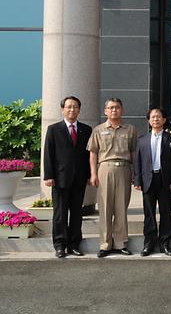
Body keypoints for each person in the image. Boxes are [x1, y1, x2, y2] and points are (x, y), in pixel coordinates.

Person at [88, 98, 138, 258]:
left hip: (124, 168)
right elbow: (93, 153)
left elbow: (134, 153)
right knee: (105, 208)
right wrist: (93, 173)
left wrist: (135, 173)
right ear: (105, 111)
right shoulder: (98, 130)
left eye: (117, 107)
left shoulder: (130, 129)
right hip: (105, 169)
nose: (114, 110)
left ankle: (120, 243)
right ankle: (105, 244)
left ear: (122, 110)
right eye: (110, 108)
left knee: (121, 208)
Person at [43, 96, 92, 258]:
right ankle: (60, 245)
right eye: (69, 107)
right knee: (60, 214)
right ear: (62, 109)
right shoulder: (53, 129)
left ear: (79, 109)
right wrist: (48, 176)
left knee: (77, 213)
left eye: (75, 107)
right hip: (59, 178)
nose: (72, 110)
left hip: (79, 178)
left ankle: (74, 244)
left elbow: (88, 155)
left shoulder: (86, 129)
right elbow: (48, 154)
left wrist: (90, 175)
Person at [133, 107, 171, 257]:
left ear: (164, 120)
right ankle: (149, 243)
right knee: (149, 213)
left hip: (165, 180)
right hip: (148, 179)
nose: (156, 119)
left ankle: (165, 243)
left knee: (166, 212)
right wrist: (137, 180)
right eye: (153, 117)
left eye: (159, 117)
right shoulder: (142, 140)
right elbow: (137, 162)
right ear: (148, 120)